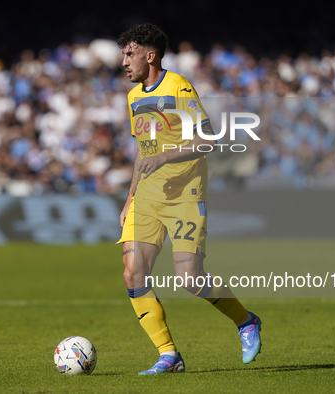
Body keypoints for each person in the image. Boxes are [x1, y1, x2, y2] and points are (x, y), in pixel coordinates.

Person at [116, 23, 262, 375]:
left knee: (190, 279)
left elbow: (209, 141)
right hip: (147, 198)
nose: (124, 62)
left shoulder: (179, 87)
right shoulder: (134, 97)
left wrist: (165, 158)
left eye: (129, 54)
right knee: (133, 273)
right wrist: (130, 197)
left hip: (185, 195)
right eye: (123, 54)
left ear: (150, 55)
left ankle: (246, 321)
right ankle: (168, 354)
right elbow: (144, 151)